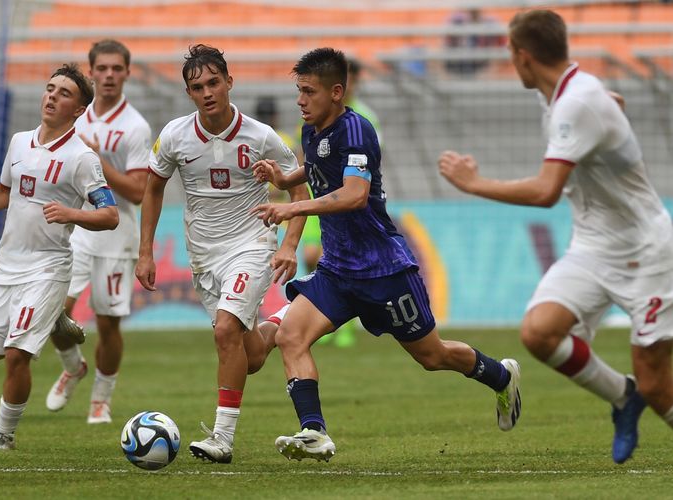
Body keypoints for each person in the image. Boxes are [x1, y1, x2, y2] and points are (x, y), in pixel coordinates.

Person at [250, 47, 521, 462]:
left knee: (433, 356)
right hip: (338, 270)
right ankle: (314, 431)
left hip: (383, 270)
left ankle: (502, 376)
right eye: (298, 91)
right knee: (291, 337)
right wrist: (286, 177)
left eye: (308, 92)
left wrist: (294, 205)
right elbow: (318, 166)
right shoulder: (311, 129)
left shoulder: (358, 130)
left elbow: (356, 194)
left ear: (336, 92)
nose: (300, 101)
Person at [438, 9, 672, 464]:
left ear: (524, 57)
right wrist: (609, 109)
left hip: (646, 252)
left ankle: (638, 393)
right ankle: (623, 398)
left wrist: (474, 183)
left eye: (510, 53)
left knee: (657, 381)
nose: (510, 61)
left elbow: (547, 191)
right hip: (594, 246)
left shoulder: (575, 102)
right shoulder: (565, 94)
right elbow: (607, 105)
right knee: (539, 332)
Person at [0, 63, 119, 450]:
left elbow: (110, 214)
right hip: (7, 266)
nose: (52, 96)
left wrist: (73, 214)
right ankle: (53, 322)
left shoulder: (81, 158)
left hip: (48, 267)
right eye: (50, 89)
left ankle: (3, 435)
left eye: (64, 93)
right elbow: (4, 193)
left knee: (17, 354)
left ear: (79, 110)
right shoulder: (18, 142)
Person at [135, 44, 309, 464]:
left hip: (252, 244)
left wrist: (287, 245)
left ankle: (222, 438)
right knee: (247, 358)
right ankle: (281, 323)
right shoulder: (174, 136)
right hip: (204, 257)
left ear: (230, 82)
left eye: (215, 82)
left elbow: (298, 191)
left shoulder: (262, 136)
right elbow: (153, 188)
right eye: (198, 87)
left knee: (224, 329)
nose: (208, 91)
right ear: (189, 94)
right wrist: (145, 252)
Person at [44, 40, 151, 424]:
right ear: (91, 72)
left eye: (116, 69)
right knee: (52, 313)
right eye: (102, 68)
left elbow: (139, 191)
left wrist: (97, 159)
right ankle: (73, 367)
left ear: (126, 72)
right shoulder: (75, 113)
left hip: (116, 234)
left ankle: (100, 400)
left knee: (108, 323)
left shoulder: (134, 127)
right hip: (75, 231)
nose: (108, 75)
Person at [444, 8, 504, 76]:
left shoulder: (490, 22)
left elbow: (502, 46)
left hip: (483, 66)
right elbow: (446, 45)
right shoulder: (456, 20)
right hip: (458, 64)